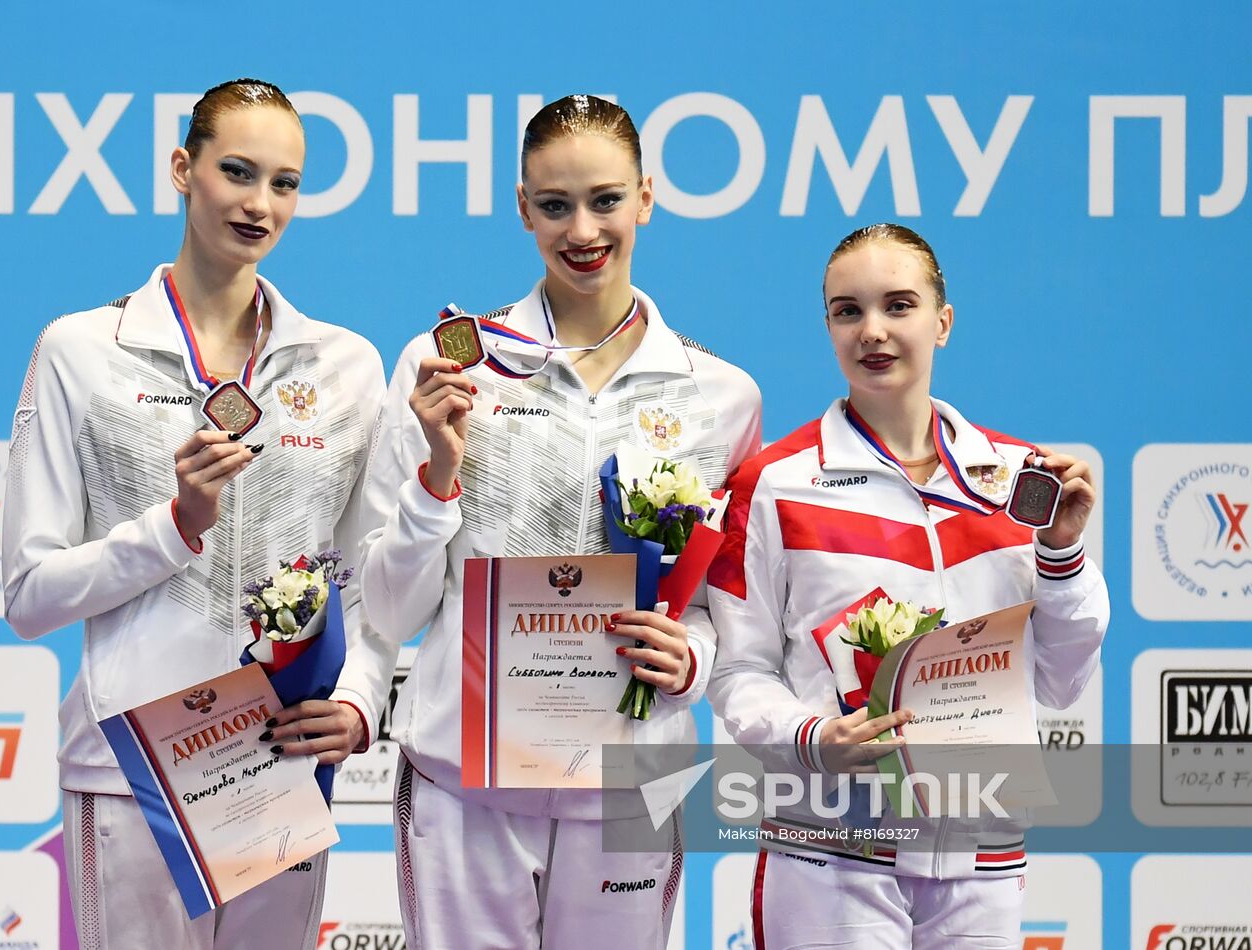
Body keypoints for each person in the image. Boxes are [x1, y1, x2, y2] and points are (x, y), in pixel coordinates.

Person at [354, 95, 762, 948]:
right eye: (555, 205)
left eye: (606, 200)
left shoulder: (720, 395)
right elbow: (388, 611)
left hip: (628, 776)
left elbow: (727, 610)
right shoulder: (448, 367)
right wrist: (438, 474)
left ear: (647, 197)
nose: (583, 229)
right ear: (521, 208)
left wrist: (689, 661)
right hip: (468, 777)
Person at [2, 78, 395, 949]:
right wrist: (173, 528)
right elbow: (30, 594)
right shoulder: (81, 350)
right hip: (131, 767)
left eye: (284, 183)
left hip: (278, 761)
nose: (261, 204)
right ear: (184, 169)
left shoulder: (347, 367)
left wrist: (362, 702)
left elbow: (371, 583)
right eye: (238, 172)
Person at [706, 223, 1108, 950]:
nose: (873, 331)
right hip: (832, 850)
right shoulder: (775, 484)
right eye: (847, 311)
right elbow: (739, 669)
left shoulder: (1018, 481)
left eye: (899, 306)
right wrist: (811, 738)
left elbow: (1061, 678)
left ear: (942, 322)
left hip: (979, 853)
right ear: (827, 324)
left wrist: (1063, 553)